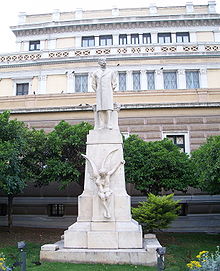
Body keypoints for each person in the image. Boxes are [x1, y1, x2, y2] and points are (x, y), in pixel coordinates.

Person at [92, 57, 117, 129]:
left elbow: (114, 83)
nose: (104, 62)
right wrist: (97, 90)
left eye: (105, 60)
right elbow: (93, 84)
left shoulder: (111, 72)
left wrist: (110, 89)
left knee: (108, 107)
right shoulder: (95, 73)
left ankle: (109, 123)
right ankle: (102, 123)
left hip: (108, 91)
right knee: (100, 108)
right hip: (99, 92)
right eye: (102, 61)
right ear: (99, 63)